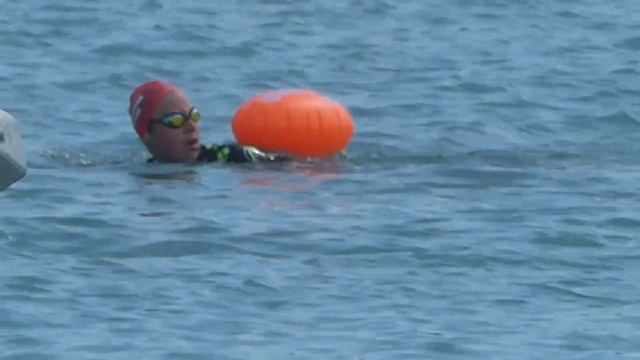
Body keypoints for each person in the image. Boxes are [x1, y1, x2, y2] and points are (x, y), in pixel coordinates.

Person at [128, 79, 286, 163]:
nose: (191, 127)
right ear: (146, 133)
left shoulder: (234, 157)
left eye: (194, 116)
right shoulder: (143, 170)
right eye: (176, 120)